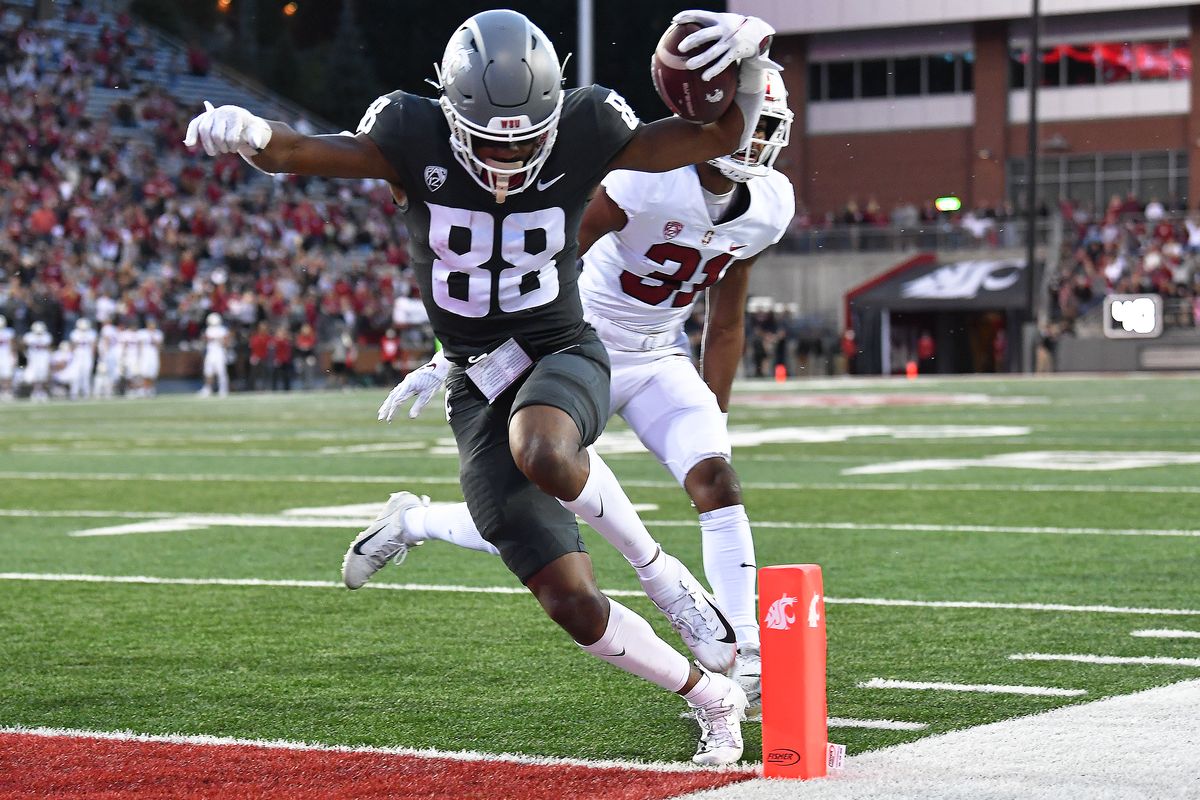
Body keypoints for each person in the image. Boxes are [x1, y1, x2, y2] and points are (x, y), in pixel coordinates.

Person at [185, 8, 776, 765]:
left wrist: (753, 57)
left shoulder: (590, 123)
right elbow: (295, 150)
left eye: (529, 141)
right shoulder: (409, 130)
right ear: (452, 112)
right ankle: (712, 696)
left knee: (544, 447)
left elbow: (722, 137)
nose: (510, 162)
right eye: (494, 144)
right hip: (477, 377)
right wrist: (249, 132)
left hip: (562, 346)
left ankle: (667, 583)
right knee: (571, 603)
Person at [376, 71, 796, 720]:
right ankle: (416, 520)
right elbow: (549, 254)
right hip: (575, 341)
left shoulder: (771, 204)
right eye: (749, 121)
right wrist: (457, 350)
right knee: (535, 516)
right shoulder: (650, 177)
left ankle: (748, 655)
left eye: (766, 126)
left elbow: (729, 317)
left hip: (658, 355)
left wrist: (715, 408)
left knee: (717, 480)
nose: (754, 140)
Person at [201, 312, 230, 397]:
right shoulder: (208, 330)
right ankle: (207, 389)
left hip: (219, 353)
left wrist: (218, 340)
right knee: (208, 371)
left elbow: (226, 343)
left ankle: (223, 389)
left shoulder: (223, 330)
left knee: (221, 372)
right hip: (210, 352)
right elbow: (205, 341)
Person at [22, 320, 53, 402]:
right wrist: (26, 354)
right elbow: (23, 345)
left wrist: (50, 358)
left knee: (43, 375)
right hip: (33, 359)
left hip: (43, 359)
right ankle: (35, 391)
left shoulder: (47, 336)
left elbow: (49, 348)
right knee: (34, 376)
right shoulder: (29, 336)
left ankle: (42, 392)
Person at [68, 318, 97, 400]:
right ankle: (74, 393)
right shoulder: (75, 333)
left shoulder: (91, 333)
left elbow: (93, 346)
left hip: (87, 356)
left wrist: (92, 355)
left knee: (86, 374)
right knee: (76, 374)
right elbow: (72, 346)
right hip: (77, 356)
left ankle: (86, 393)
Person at [138, 318, 164, 396]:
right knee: (144, 372)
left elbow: (160, 346)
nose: (152, 325)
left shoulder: (158, 333)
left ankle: (151, 388)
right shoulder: (142, 333)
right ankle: (144, 388)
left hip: (153, 355)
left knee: (152, 373)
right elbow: (140, 345)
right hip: (145, 355)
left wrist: (153, 338)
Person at [0, 316, 15, 400]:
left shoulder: (9, 332)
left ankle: (8, 391)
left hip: (6, 356)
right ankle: (2, 391)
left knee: (8, 375)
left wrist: (13, 356)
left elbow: (12, 345)